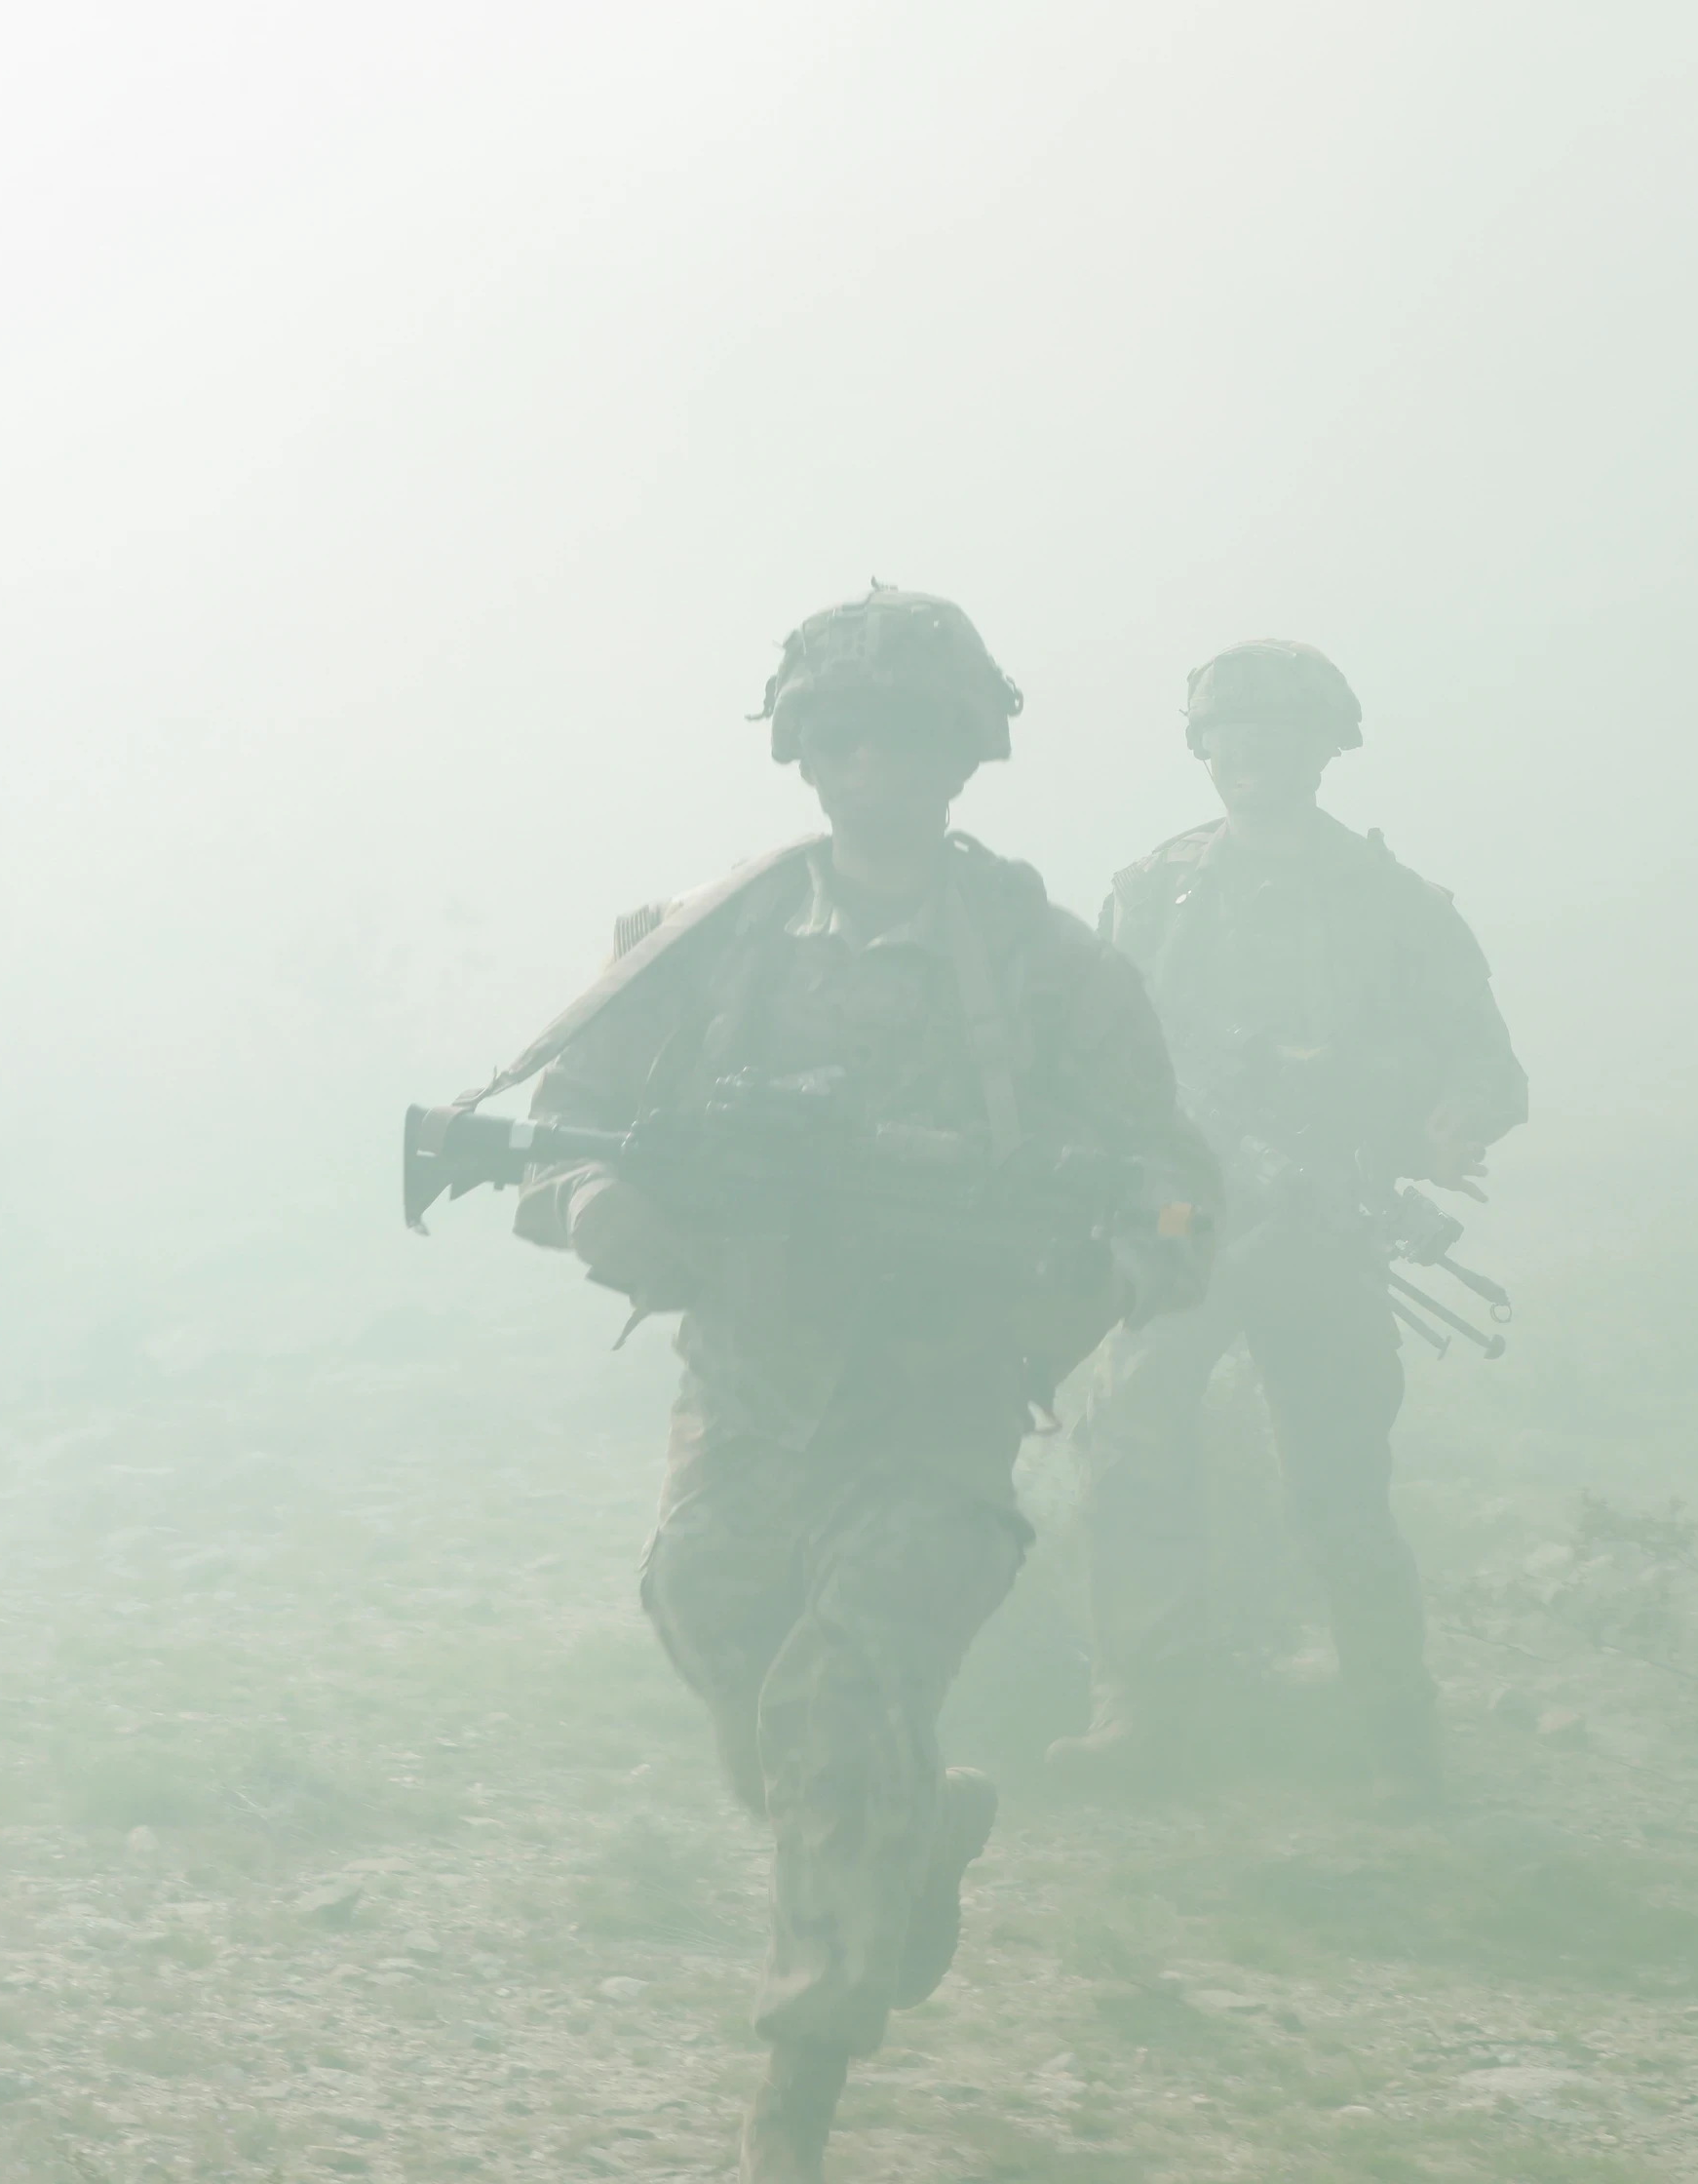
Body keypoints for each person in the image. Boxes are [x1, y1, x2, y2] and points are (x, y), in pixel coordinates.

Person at [490, 587, 1216, 2184]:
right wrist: (602, 1211)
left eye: (912, 737)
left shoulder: (1052, 974)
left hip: (948, 1403)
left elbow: (1176, 1196)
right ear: (806, 751)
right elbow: (561, 1125)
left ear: (966, 756)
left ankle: (796, 2095)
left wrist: (1083, 1295)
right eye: (846, 735)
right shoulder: (707, 943)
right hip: (750, 1384)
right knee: (708, 1619)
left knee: (837, 1698)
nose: (876, 766)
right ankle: (907, 1833)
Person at [1053, 639, 1526, 1798]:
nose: (1251, 753)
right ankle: (1143, 1713)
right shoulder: (1152, 890)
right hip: (1181, 1206)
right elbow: (1093, 1053)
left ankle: (1393, 1728)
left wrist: (1451, 1116)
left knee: (1336, 1478)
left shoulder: (1397, 907)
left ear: (1328, 748)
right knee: (1127, 1433)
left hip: (1322, 1222)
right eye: (1230, 731)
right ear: (1202, 745)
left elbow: (1491, 1065)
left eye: (1279, 731)